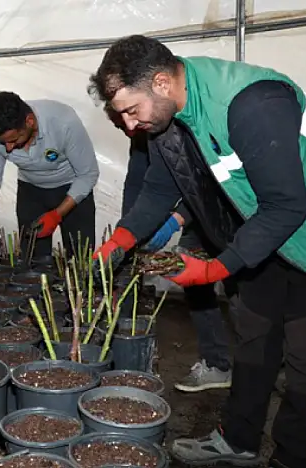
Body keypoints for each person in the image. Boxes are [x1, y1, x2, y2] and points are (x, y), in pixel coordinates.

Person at [89, 35, 306, 468]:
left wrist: (216, 268)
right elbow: (160, 186)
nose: (130, 126)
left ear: (160, 81)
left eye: (131, 111)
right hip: (263, 233)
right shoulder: (167, 117)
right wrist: (122, 238)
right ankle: (239, 440)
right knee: (253, 338)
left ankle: (295, 458)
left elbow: (288, 206)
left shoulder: (253, 104)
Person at [109, 106, 232, 391]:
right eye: (122, 126)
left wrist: (174, 221)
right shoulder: (140, 135)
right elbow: (138, 184)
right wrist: (128, 232)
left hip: (229, 212)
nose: (129, 129)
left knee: (242, 294)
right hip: (196, 219)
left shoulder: (183, 126)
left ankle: (264, 359)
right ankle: (217, 364)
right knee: (195, 281)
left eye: (131, 122)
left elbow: (210, 183)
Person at [0, 91, 98, 258]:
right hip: (31, 191)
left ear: (30, 122)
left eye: (14, 140)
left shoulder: (63, 122)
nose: (8, 148)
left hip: (72, 189)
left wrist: (57, 214)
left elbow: (88, 174)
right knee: (33, 260)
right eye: (3, 142)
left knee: (80, 257)